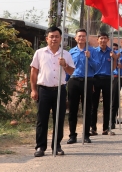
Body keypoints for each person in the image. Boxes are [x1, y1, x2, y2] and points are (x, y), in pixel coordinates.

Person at [30, 26, 75, 157]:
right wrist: (33, 89)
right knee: (42, 119)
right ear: (47, 38)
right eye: (52, 36)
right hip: (43, 90)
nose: (54, 39)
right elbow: (34, 71)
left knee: (59, 119)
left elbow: (71, 71)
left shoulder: (65, 54)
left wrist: (65, 65)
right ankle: (40, 146)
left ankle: (57, 146)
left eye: (57, 36)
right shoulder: (39, 53)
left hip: (60, 90)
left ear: (61, 39)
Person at [67, 29, 98, 144]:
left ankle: (86, 134)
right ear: (75, 38)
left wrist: (89, 57)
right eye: (79, 36)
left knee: (87, 108)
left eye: (83, 36)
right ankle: (72, 135)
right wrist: (65, 81)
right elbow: (67, 69)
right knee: (73, 109)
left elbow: (96, 67)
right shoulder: (71, 52)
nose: (81, 38)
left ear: (86, 38)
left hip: (87, 80)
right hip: (74, 81)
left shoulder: (92, 51)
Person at [91, 32, 116, 136]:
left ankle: (106, 128)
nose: (103, 40)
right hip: (95, 78)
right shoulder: (93, 51)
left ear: (108, 40)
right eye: (101, 38)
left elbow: (114, 68)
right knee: (94, 105)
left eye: (105, 38)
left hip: (107, 79)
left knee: (107, 104)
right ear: (98, 40)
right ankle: (93, 128)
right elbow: (91, 66)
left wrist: (114, 58)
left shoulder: (111, 52)